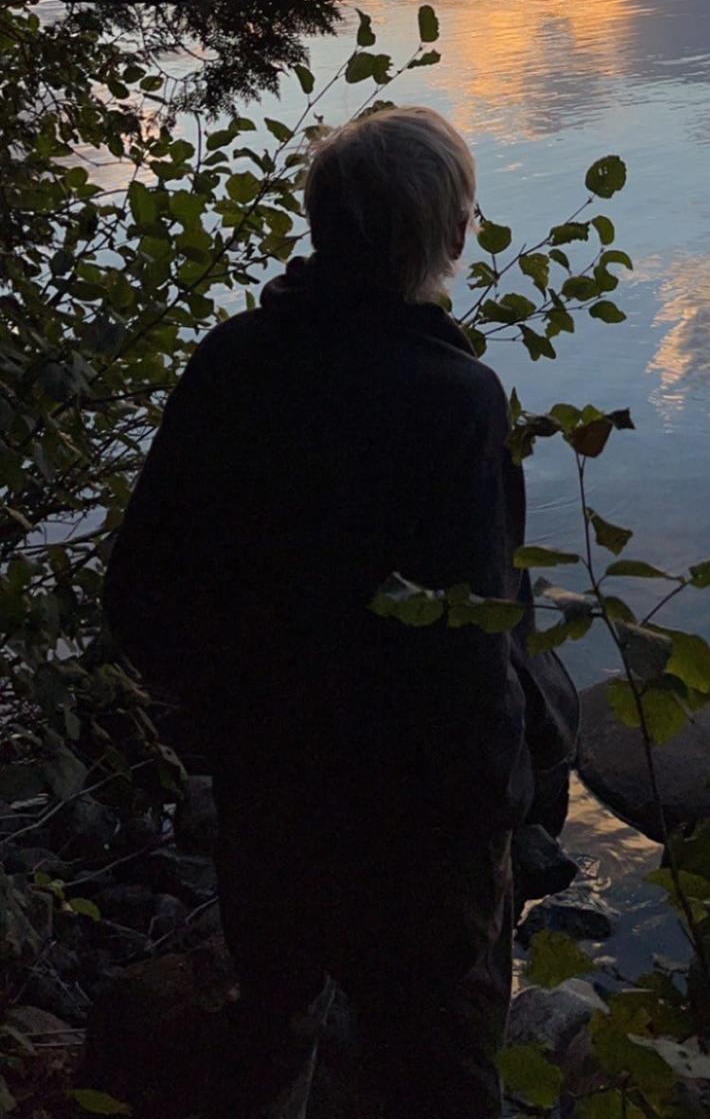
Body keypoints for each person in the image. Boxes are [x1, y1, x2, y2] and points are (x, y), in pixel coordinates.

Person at [104, 105, 577, 1118]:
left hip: (272, 794)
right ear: (450, 237)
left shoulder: (234, 361)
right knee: (439, 1077)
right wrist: (525, 798)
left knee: (273, 1035)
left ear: (321, 227)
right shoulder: (455, 400)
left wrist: (230, 711)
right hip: (420, 831)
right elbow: (470, 651)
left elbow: (138, 594)